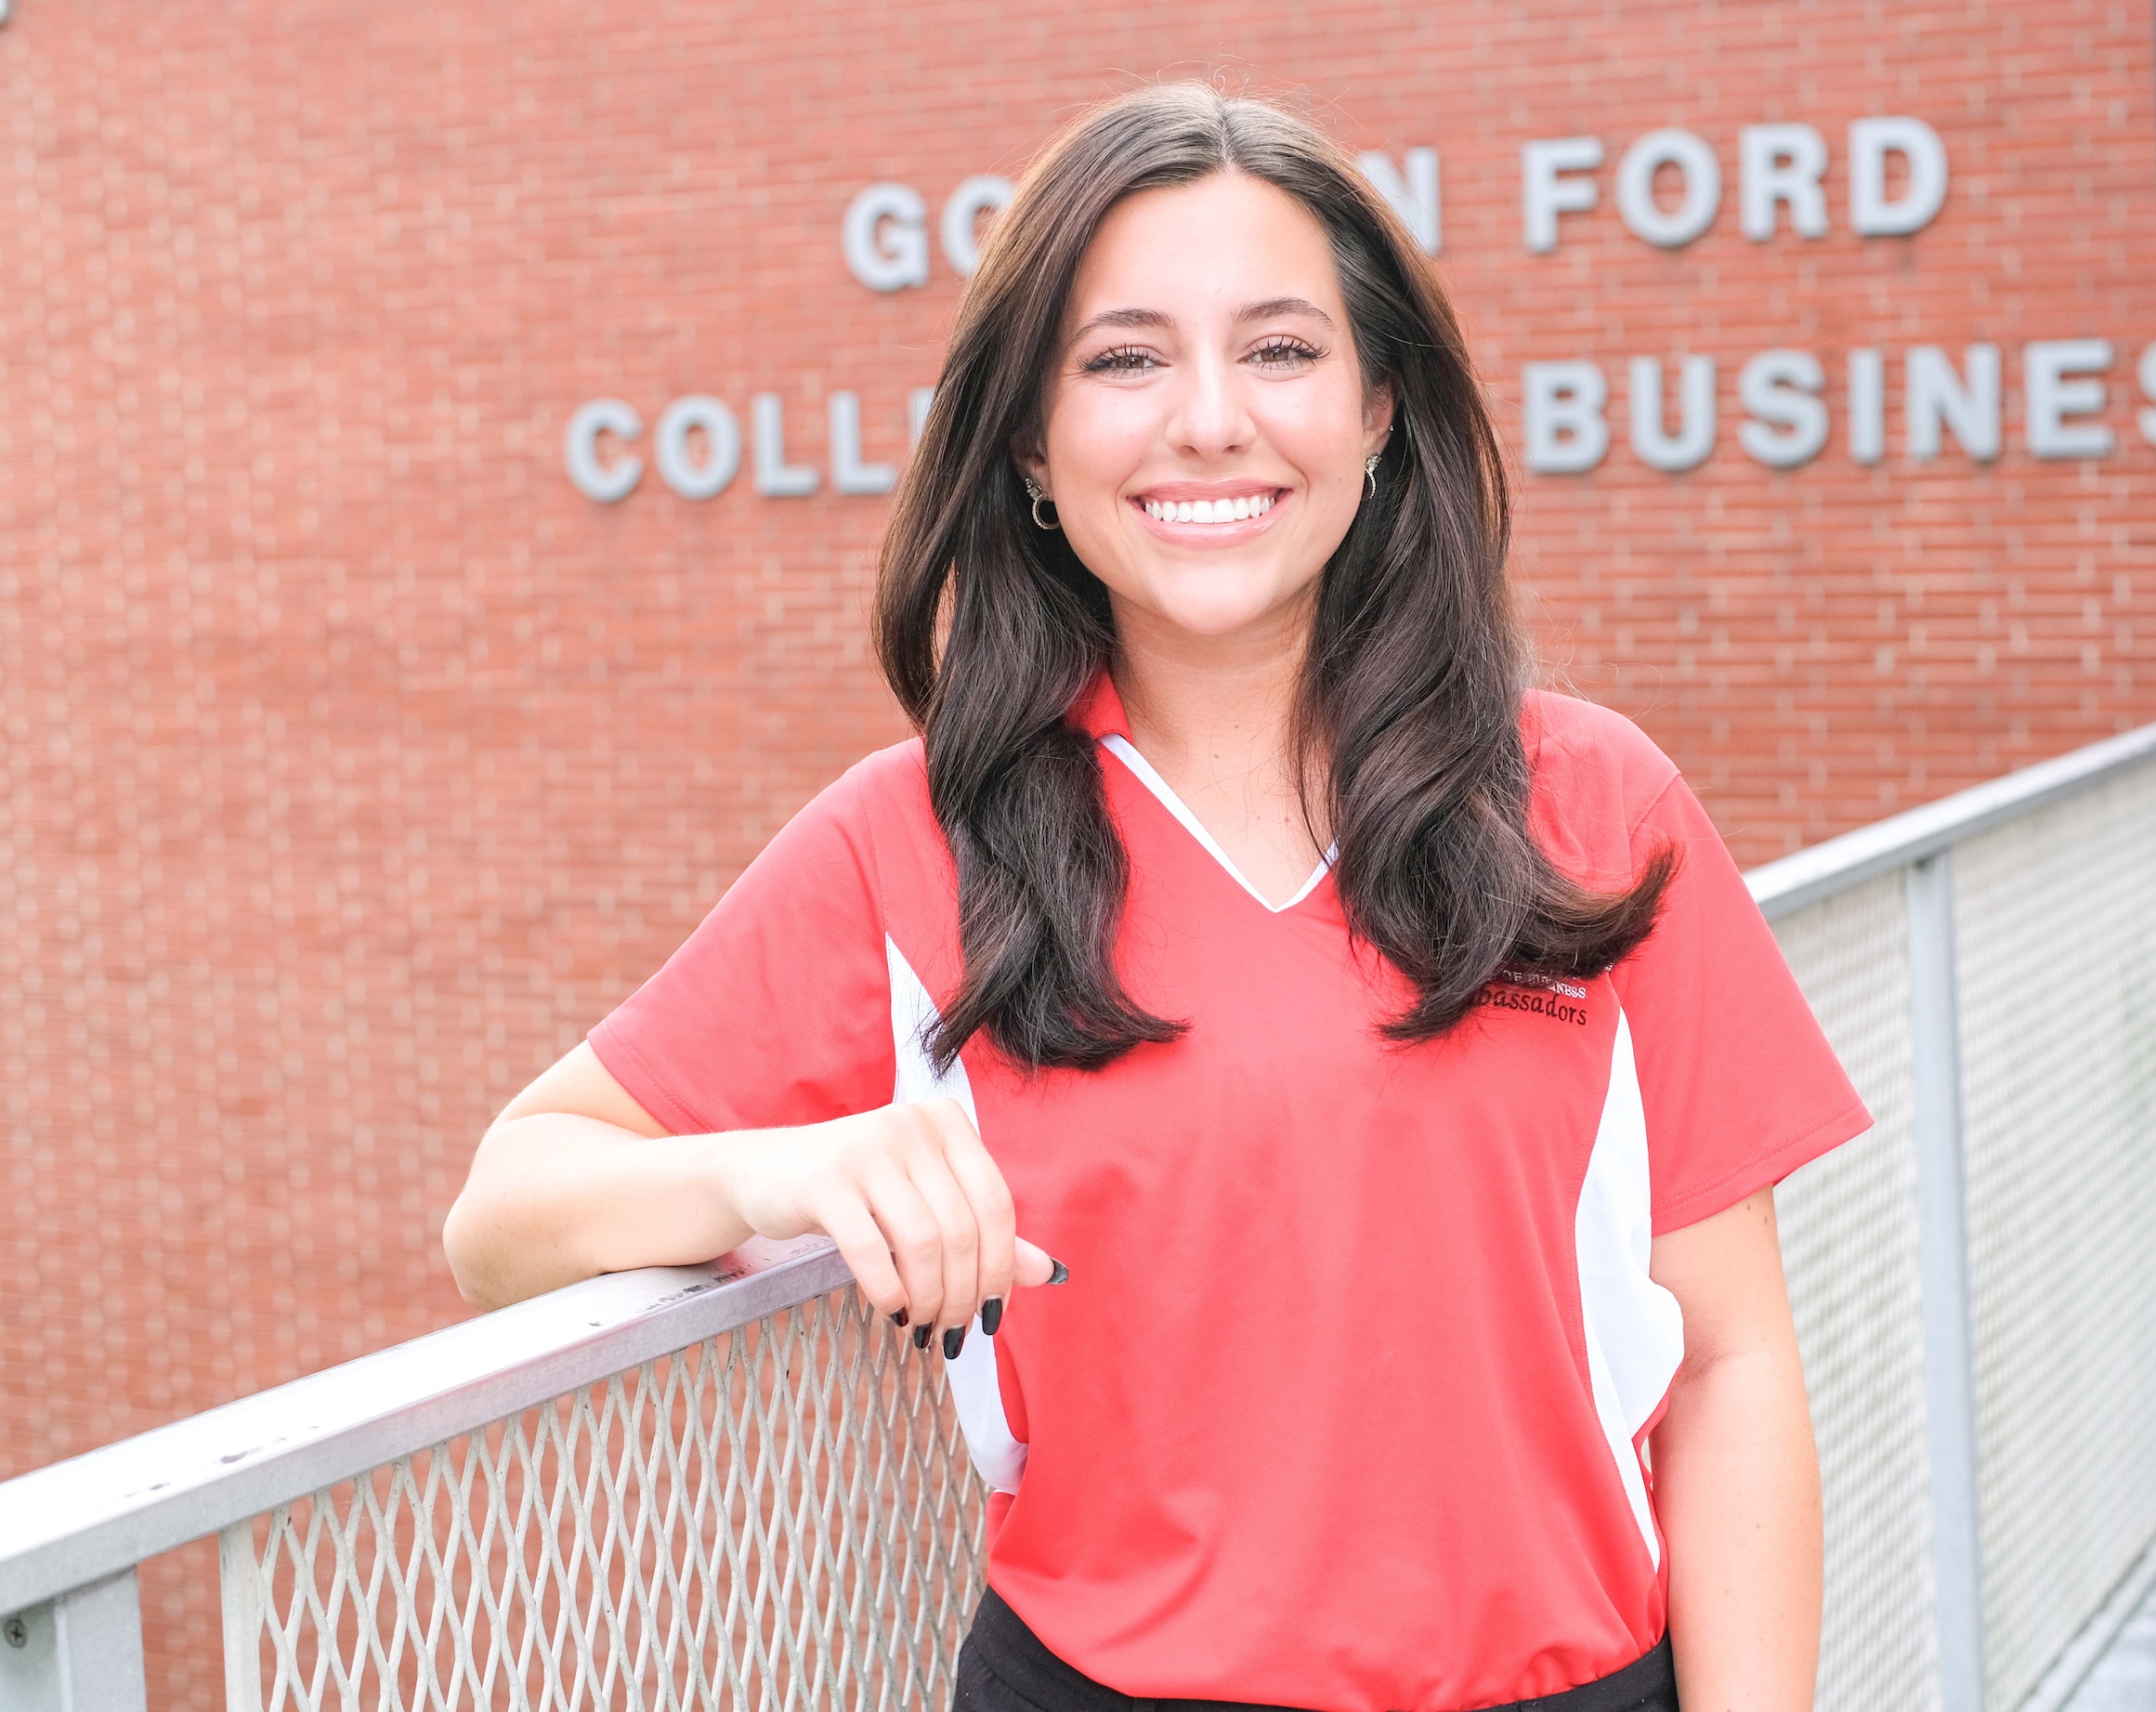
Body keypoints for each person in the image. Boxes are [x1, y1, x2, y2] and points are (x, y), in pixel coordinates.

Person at [444, 82, 1871, 1712]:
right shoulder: (914, 840)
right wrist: (780, 1167)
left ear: (1379, 408)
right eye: (1123, 360)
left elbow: (1732, 1359)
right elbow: (504, 1215)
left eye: (1280, 350)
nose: (1207, 421)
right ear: (1031, 448)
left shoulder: (1589, 801)